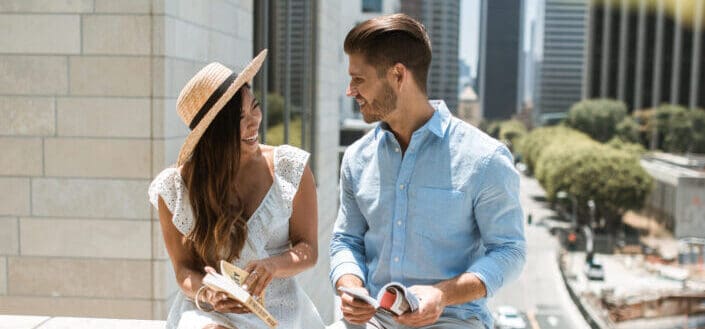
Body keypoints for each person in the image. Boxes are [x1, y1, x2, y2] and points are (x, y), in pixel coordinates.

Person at [329, 14, 526, 329]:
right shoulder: (356, 158)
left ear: (397, 75)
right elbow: (346, 239)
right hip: (375, 320)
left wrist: (442, 295)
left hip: (454, 319)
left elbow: (509, 251)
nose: (351, 91)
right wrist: (350, 283)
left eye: (359, 79)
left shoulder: (485, 159)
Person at [148, 50, 324, 329]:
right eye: (239, 118)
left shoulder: (290, 169)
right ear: (213, 134)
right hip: (209, 310)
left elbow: (309, 250)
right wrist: (208, 293)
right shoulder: (174, 188)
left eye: (254, 107)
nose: (253, 121)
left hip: (278, 309)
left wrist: (273, 265)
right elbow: (183, 270)